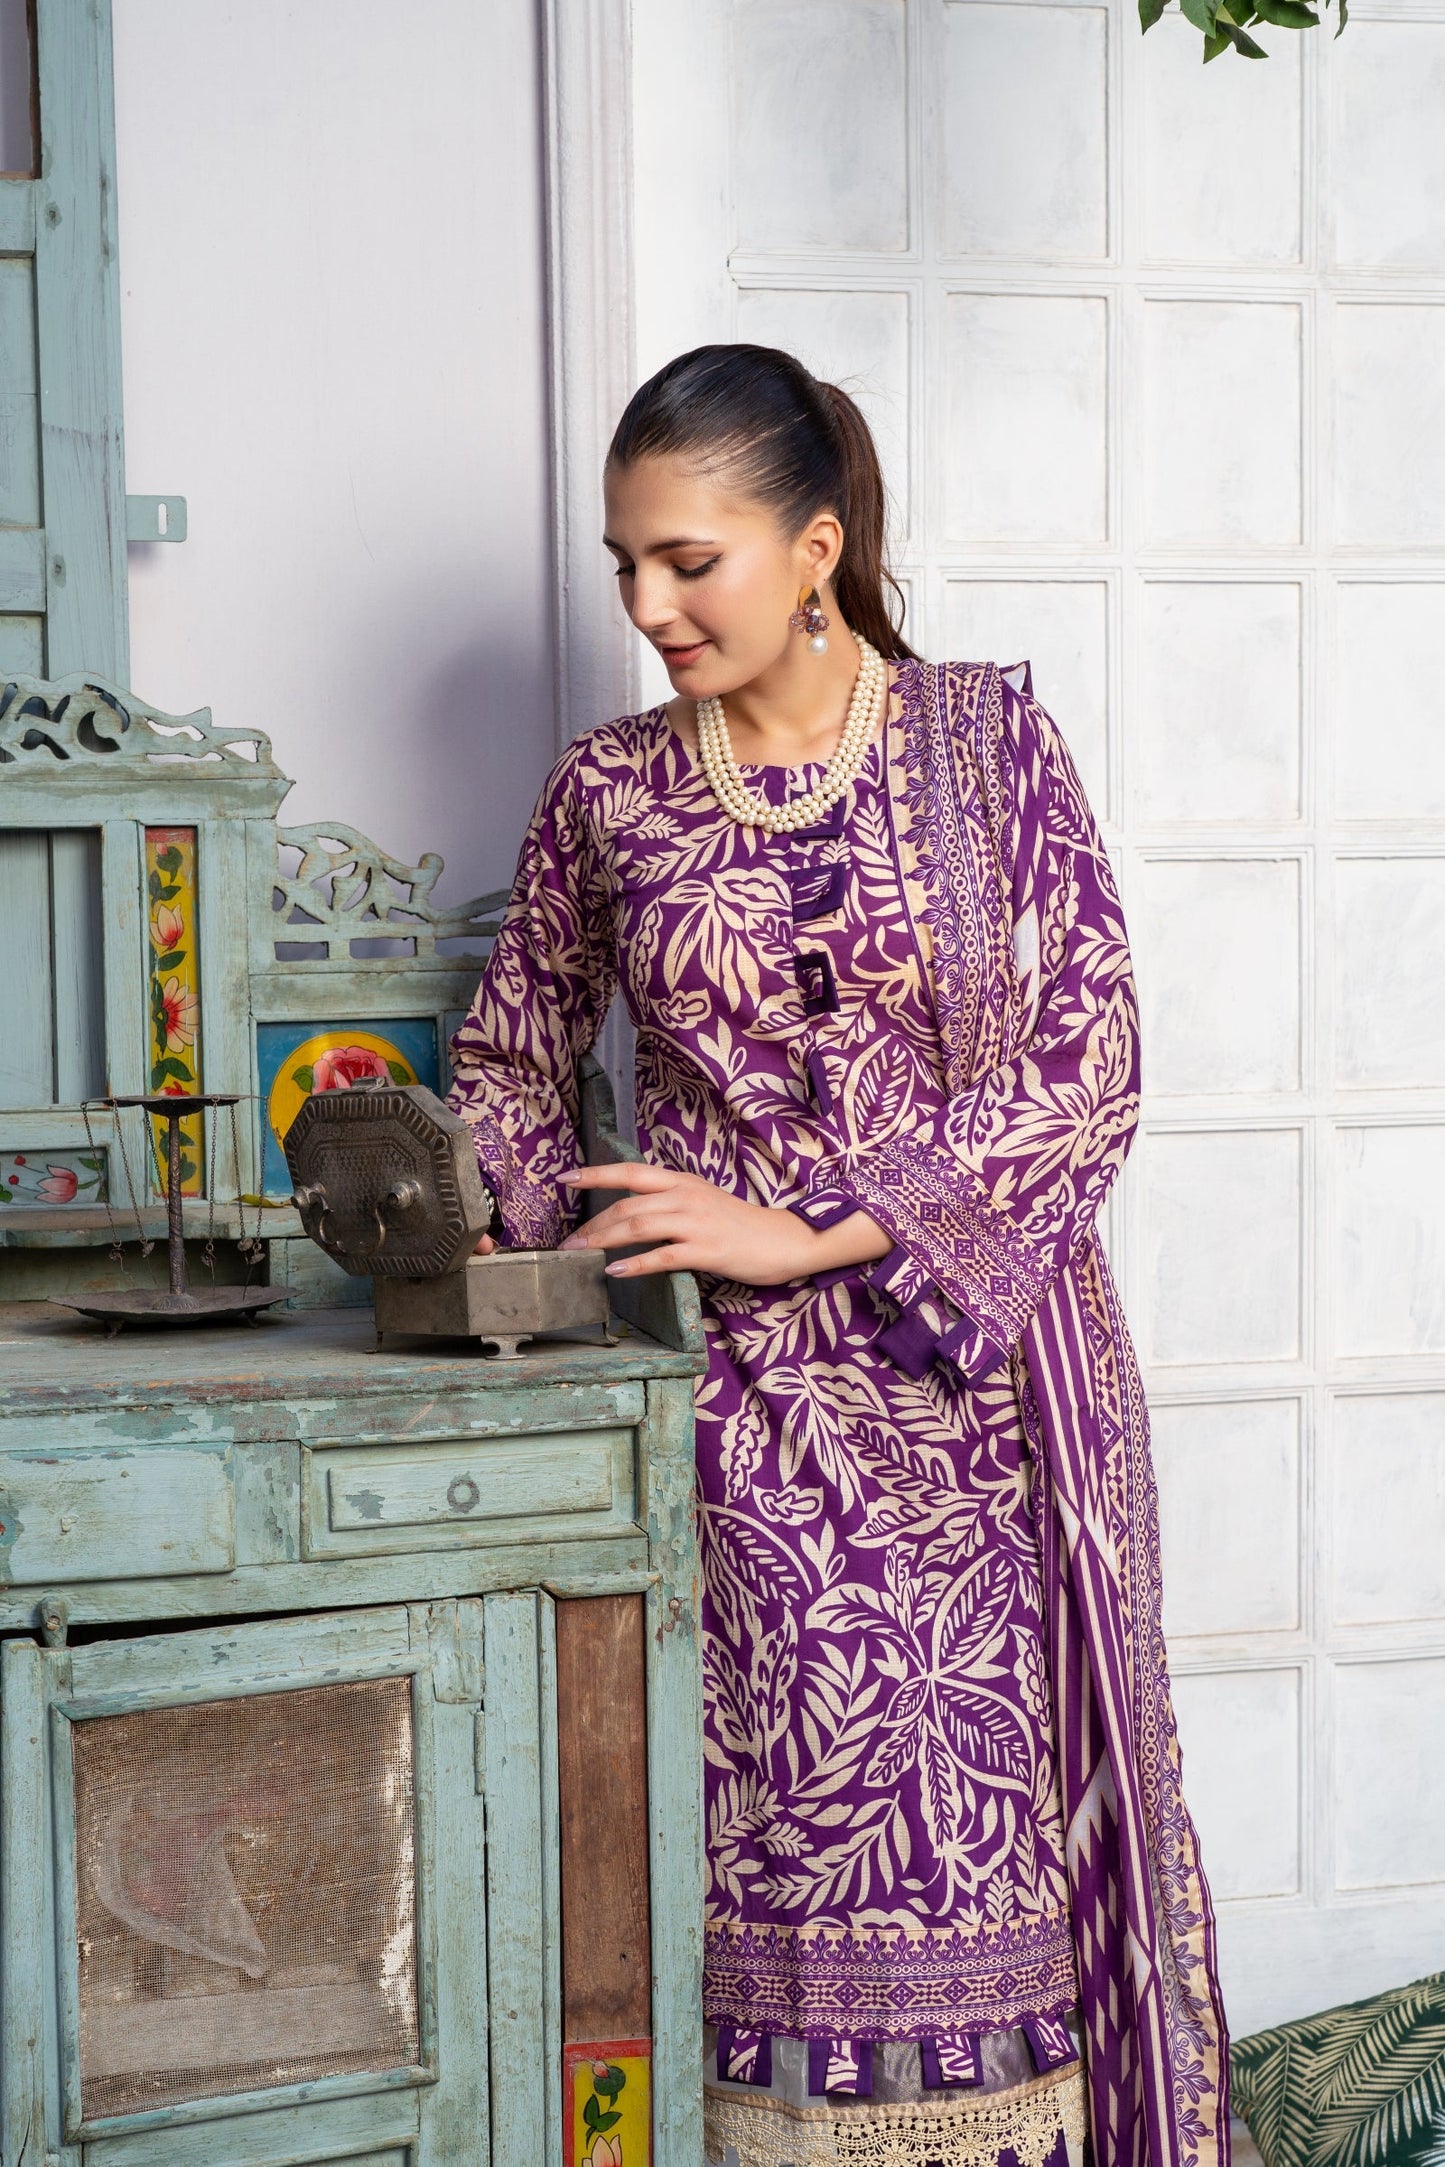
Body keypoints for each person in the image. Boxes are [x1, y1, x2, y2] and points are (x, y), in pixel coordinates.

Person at [448, 344, 1229, 2167]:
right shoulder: (608, 793)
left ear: (813, 550)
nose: (647, 608)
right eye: (624, 566)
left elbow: (1089, 1061)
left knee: (1012, 1843)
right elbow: (506, 1062)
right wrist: (549, 1251)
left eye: (687, 562)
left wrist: (804, 1227)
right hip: (739, 1429)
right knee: (783, 1858)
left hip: (992, 1401)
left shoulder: (987, 744)